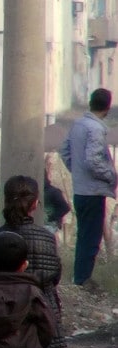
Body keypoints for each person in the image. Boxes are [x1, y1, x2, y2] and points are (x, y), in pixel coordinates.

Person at [0, 175, 70, 348]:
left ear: (5, 200)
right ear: (35, 203)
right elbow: (54, 276)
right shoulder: (46, 239)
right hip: (40, 320)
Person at [59, 88, 116, 287]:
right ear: (107, 107)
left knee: (83, 235)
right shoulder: (96, 129)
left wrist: (76, 170)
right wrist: (111, 176)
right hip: (93, 191)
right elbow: (93, 160)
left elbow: (64, 150)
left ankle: (79, 276)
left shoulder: (78, 125)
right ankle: (83, 279)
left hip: (80, 189)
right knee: (91, 237)